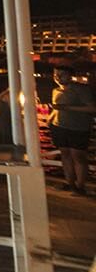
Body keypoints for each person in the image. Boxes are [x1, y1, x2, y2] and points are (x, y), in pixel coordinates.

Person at [51, 67, 95, 196]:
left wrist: (67, 107)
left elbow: (92, 108)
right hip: (59, 126)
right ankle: (70, 183)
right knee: (65, 155)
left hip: (78, 127)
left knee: (78, 156)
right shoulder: (56, 90)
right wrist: (51, 119)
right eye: (56, 75)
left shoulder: (81, 89)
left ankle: (80, 186)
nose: (58, 77)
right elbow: (57, 108)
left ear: (70, 76)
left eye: (62, 74)